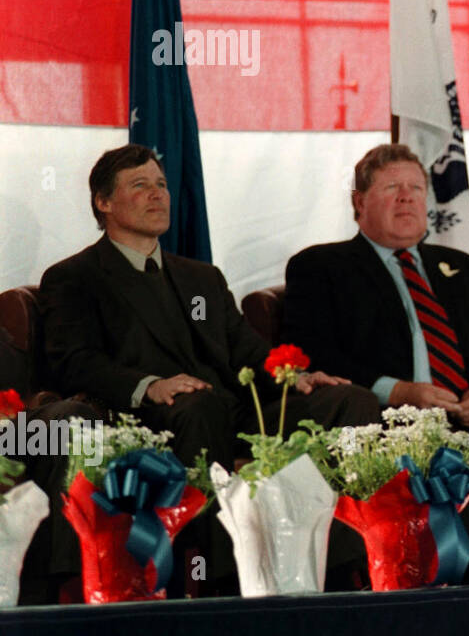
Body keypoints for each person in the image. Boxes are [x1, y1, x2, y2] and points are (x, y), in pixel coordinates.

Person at [38, 145, 381, 471]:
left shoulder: (201, 279)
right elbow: (76, 362)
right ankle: (207, 532)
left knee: (350, 400)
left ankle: (347, 528)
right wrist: (150, 385)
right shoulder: (76, 277)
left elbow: (244, 349)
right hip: (155, 416)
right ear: (103, 202)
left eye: (162, 184)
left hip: (236, 413)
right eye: (140, 185)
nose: (157, 194)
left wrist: (296, 378)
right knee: (201, 408)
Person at [281, 143, 469, 429]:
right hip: (383, 420)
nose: (406, 198)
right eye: (392, 187)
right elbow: (313, 352)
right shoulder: (319, 266)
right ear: (360, 202)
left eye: (416, 188)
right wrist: (398, 391)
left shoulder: (468, 269)